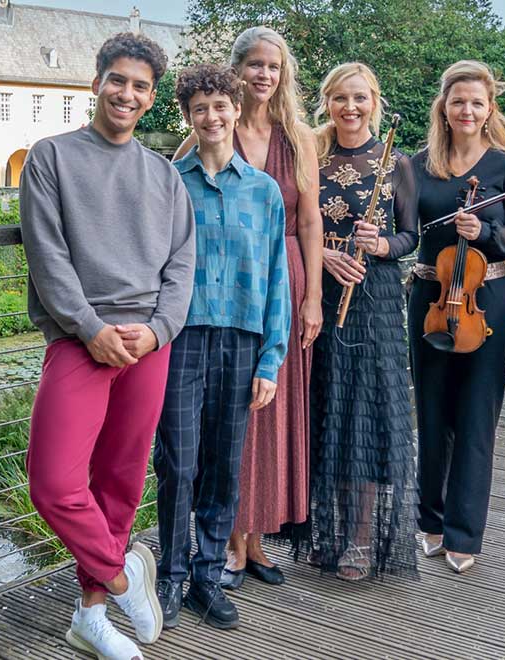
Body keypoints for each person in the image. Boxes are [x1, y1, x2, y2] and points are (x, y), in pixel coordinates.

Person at [19, 33, 196, 660]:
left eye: (140, 86)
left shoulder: (164, 174)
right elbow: (47, 255)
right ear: (95, 82)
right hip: (79, 340)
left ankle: (90, 616)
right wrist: (88, 328)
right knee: (54, 483)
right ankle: (123, 577)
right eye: (117, 80)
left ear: (152, 100)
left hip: (147, 343)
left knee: (120, 482)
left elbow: (181, 266)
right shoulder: (51, 158)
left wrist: (155, 331)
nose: (126, 94)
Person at [176, 26, 324, 588]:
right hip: (231, 285)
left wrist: (311, 296)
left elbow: (309, 220)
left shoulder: (298, 136)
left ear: (283, 74)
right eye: (254, 65)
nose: (264, 75)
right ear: (237, 72)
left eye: (273, 66)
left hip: (284, 277)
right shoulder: (211, 128)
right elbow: (176, 196)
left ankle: (260, 541)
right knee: (234, 413)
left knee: (274, 411)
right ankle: (229, 541)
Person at [154, 63, 291, 631]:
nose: (212, 117)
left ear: (237, 110)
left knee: (222, 467)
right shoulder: (167, 182)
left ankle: (209, 576)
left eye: (221, 106)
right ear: (188, 116)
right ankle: (170, 575)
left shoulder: (263, 192)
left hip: (241, 340)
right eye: (199, 109)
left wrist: (271, 359)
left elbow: (278, 276)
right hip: (180, 340)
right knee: (177, 462)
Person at [409, 60, 505, 574]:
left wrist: (485, 234)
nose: (467, 110)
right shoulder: (419, 165)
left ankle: (466, 532)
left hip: (489, 301)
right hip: (429, 298)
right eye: (458, 101)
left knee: (476, 418)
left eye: (477, 103)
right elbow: (402, 229)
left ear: (489, 110)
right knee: (432, 412)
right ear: (443, 106)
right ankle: (431, 521)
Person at [306, 62, 418, 581]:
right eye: (340, 99)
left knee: (366, 416)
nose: (350, 108)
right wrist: (325, 256)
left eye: (360, 98)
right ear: (326, 102)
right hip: (318, 295)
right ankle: (322, 534)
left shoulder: (397, 163)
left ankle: (361, 538)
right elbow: (294, 224)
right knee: (326, 408)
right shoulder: (312, 154)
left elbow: (410, 238)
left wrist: (381, 244)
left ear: (374, 100)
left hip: (374, 300)